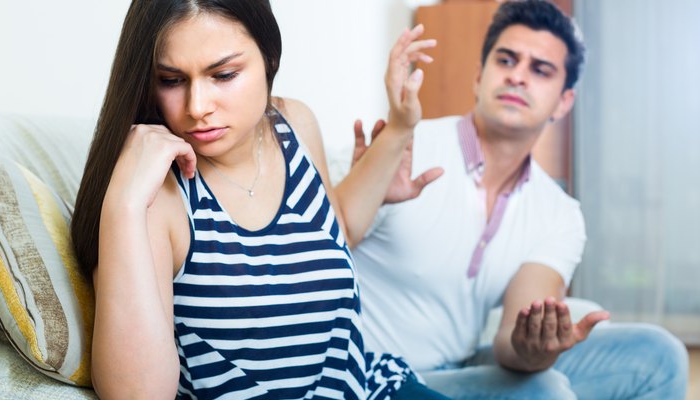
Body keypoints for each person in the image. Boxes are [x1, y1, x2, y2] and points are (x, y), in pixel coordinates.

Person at [70, 0, 452, 399]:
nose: (197, 107)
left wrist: (399, 126)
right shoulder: (156, 195)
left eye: (224, 74)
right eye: (171, 80)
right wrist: (123, 205)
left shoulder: (294, 124)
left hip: (370, 388)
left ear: (270, 56)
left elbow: (337, 230)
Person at [346, 0, 689, 399]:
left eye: (540, 70)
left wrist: (534, 348)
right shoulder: (406, 147)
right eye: (506, 61)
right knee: (544, 392)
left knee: (658, 354)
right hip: (367, 375)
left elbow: (513, 339)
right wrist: (372, 184)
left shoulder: (559, 214)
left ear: (564, 101)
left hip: (459, 370)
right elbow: (320, 246)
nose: (518, 77)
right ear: (479, 76)